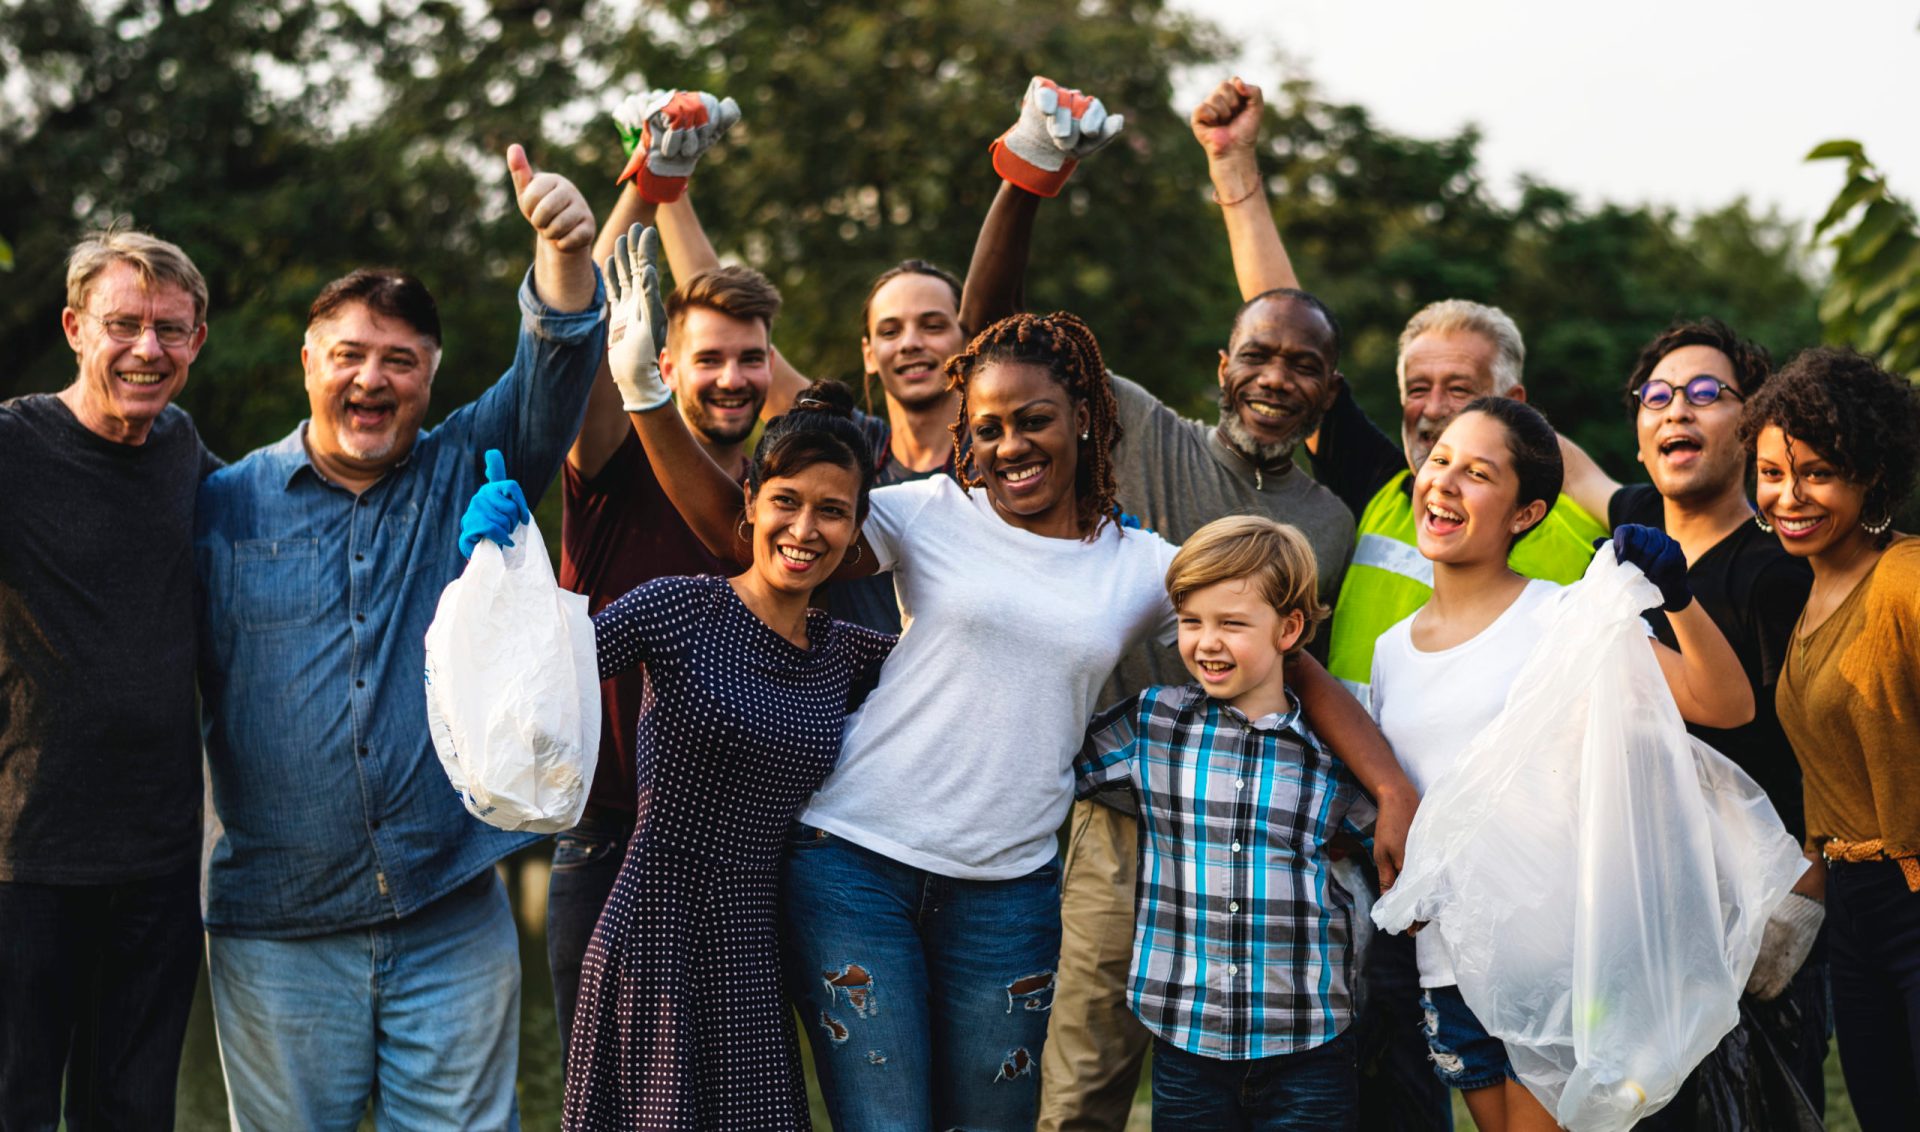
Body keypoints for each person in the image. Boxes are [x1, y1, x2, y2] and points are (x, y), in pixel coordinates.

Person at [621, 292, 1398, 1127]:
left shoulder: (1138, 566)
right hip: (854, 864)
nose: (1009, 445)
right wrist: (646, 401)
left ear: (1087, 421)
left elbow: (1281, 653)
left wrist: (1391, 789)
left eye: (1034, 421)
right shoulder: (928, 512)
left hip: (1008, 890)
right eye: (987, 427)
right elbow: (749, 534)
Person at [961, 76, 1383, 1130]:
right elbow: (997, 333)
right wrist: (1030, 178)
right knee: (1086, 1082)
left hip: (1248, 821)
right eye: (1258, 354)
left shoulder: (1332, 522)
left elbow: (1308, 668)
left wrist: (1386, 783)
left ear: (1329, 391)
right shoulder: (1146, 431)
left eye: (1303, 364)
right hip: (1121, 810)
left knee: (1244, 1081)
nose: (1276, 375)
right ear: (1222, 365)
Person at [193, 145, 605, 1130]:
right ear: (309, 363)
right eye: (350, 355)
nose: (373, 379)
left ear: (429, 375)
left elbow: (555, 360)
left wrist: (560, 250)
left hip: (449, 903)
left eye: (400, 360)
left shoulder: (468, 460)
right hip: (276, 924)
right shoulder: (219, 504)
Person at [463, 264, 893, 1124]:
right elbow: (537, 680)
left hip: (759, 931)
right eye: (785, 503)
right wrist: (498, 572)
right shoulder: (677, 608)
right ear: (750, 505)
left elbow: (964, 686)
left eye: (832, 513)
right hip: (649, 915)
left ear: (857, 534)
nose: (805, 530)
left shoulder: (850, 655)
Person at [1369, 396, 1756, 1132]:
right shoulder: (1391, 651)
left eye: (1478, 473)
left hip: (1558, 969)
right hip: (1449, 972)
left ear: (1526, 513)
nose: (1445, 482)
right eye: (1440, 460)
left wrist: (1677, 598)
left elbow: (1725, 702)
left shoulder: (1563, 618)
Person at [1558, 318, 1827, 1125]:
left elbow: (1817, 745)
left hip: (1751, 923)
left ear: (1750, 429)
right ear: (1640, 434)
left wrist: (1804, 897)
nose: (1679, 409)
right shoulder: (1631, 530)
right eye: (1659, 396)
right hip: (1637, 914)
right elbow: (1573, 470)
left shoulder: (1782, 570)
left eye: (1708, 394)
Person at [1079, 516, 1411, 1131]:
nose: (1207, 642)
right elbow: (1049, 764)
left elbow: (1395, 851)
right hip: (1185, 1042)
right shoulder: (1153, 725)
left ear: (1289, 630)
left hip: (1308, 1044)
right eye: (1191, 622)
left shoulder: (1332, 753)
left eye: (1232, 624)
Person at [0, 229, 216, 1130]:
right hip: (23, 857)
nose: (146, 350)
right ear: (75, 329)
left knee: (130, 1114)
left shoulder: (182, 449)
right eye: (122, 325)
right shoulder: (11, 444)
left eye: (169, 330)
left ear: (196, 341)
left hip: (159, 863)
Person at [1743, 346, 1920, 1132]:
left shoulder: (1904, 580)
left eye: (1815, 472)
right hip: (1854, 908)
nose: (1789, 496)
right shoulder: (1813, 590)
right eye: (1773, 473)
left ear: (1871, 473)